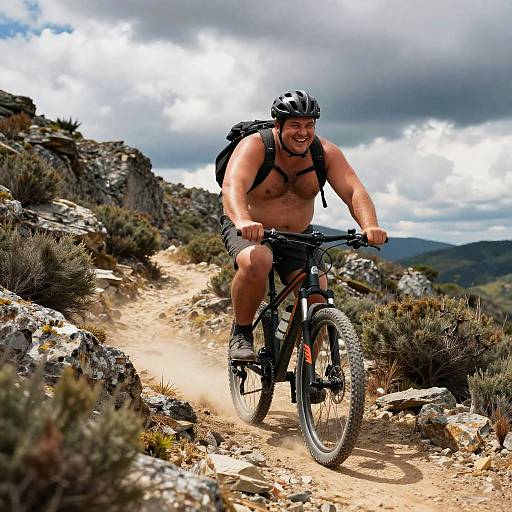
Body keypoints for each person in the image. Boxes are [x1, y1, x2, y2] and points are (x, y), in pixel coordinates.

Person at [220, 90, 387, 362]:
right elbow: (233, 186)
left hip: (297, 236)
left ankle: (305, 372)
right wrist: (243, 220)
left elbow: (353, 190)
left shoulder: (324, 153)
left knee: (318, 292)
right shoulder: (256, 146)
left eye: (309, 125)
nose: (303, 132)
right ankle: (241, 334)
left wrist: (370, 225)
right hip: (250, 228)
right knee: (257, 260)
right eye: (295, 125)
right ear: (278, 125)